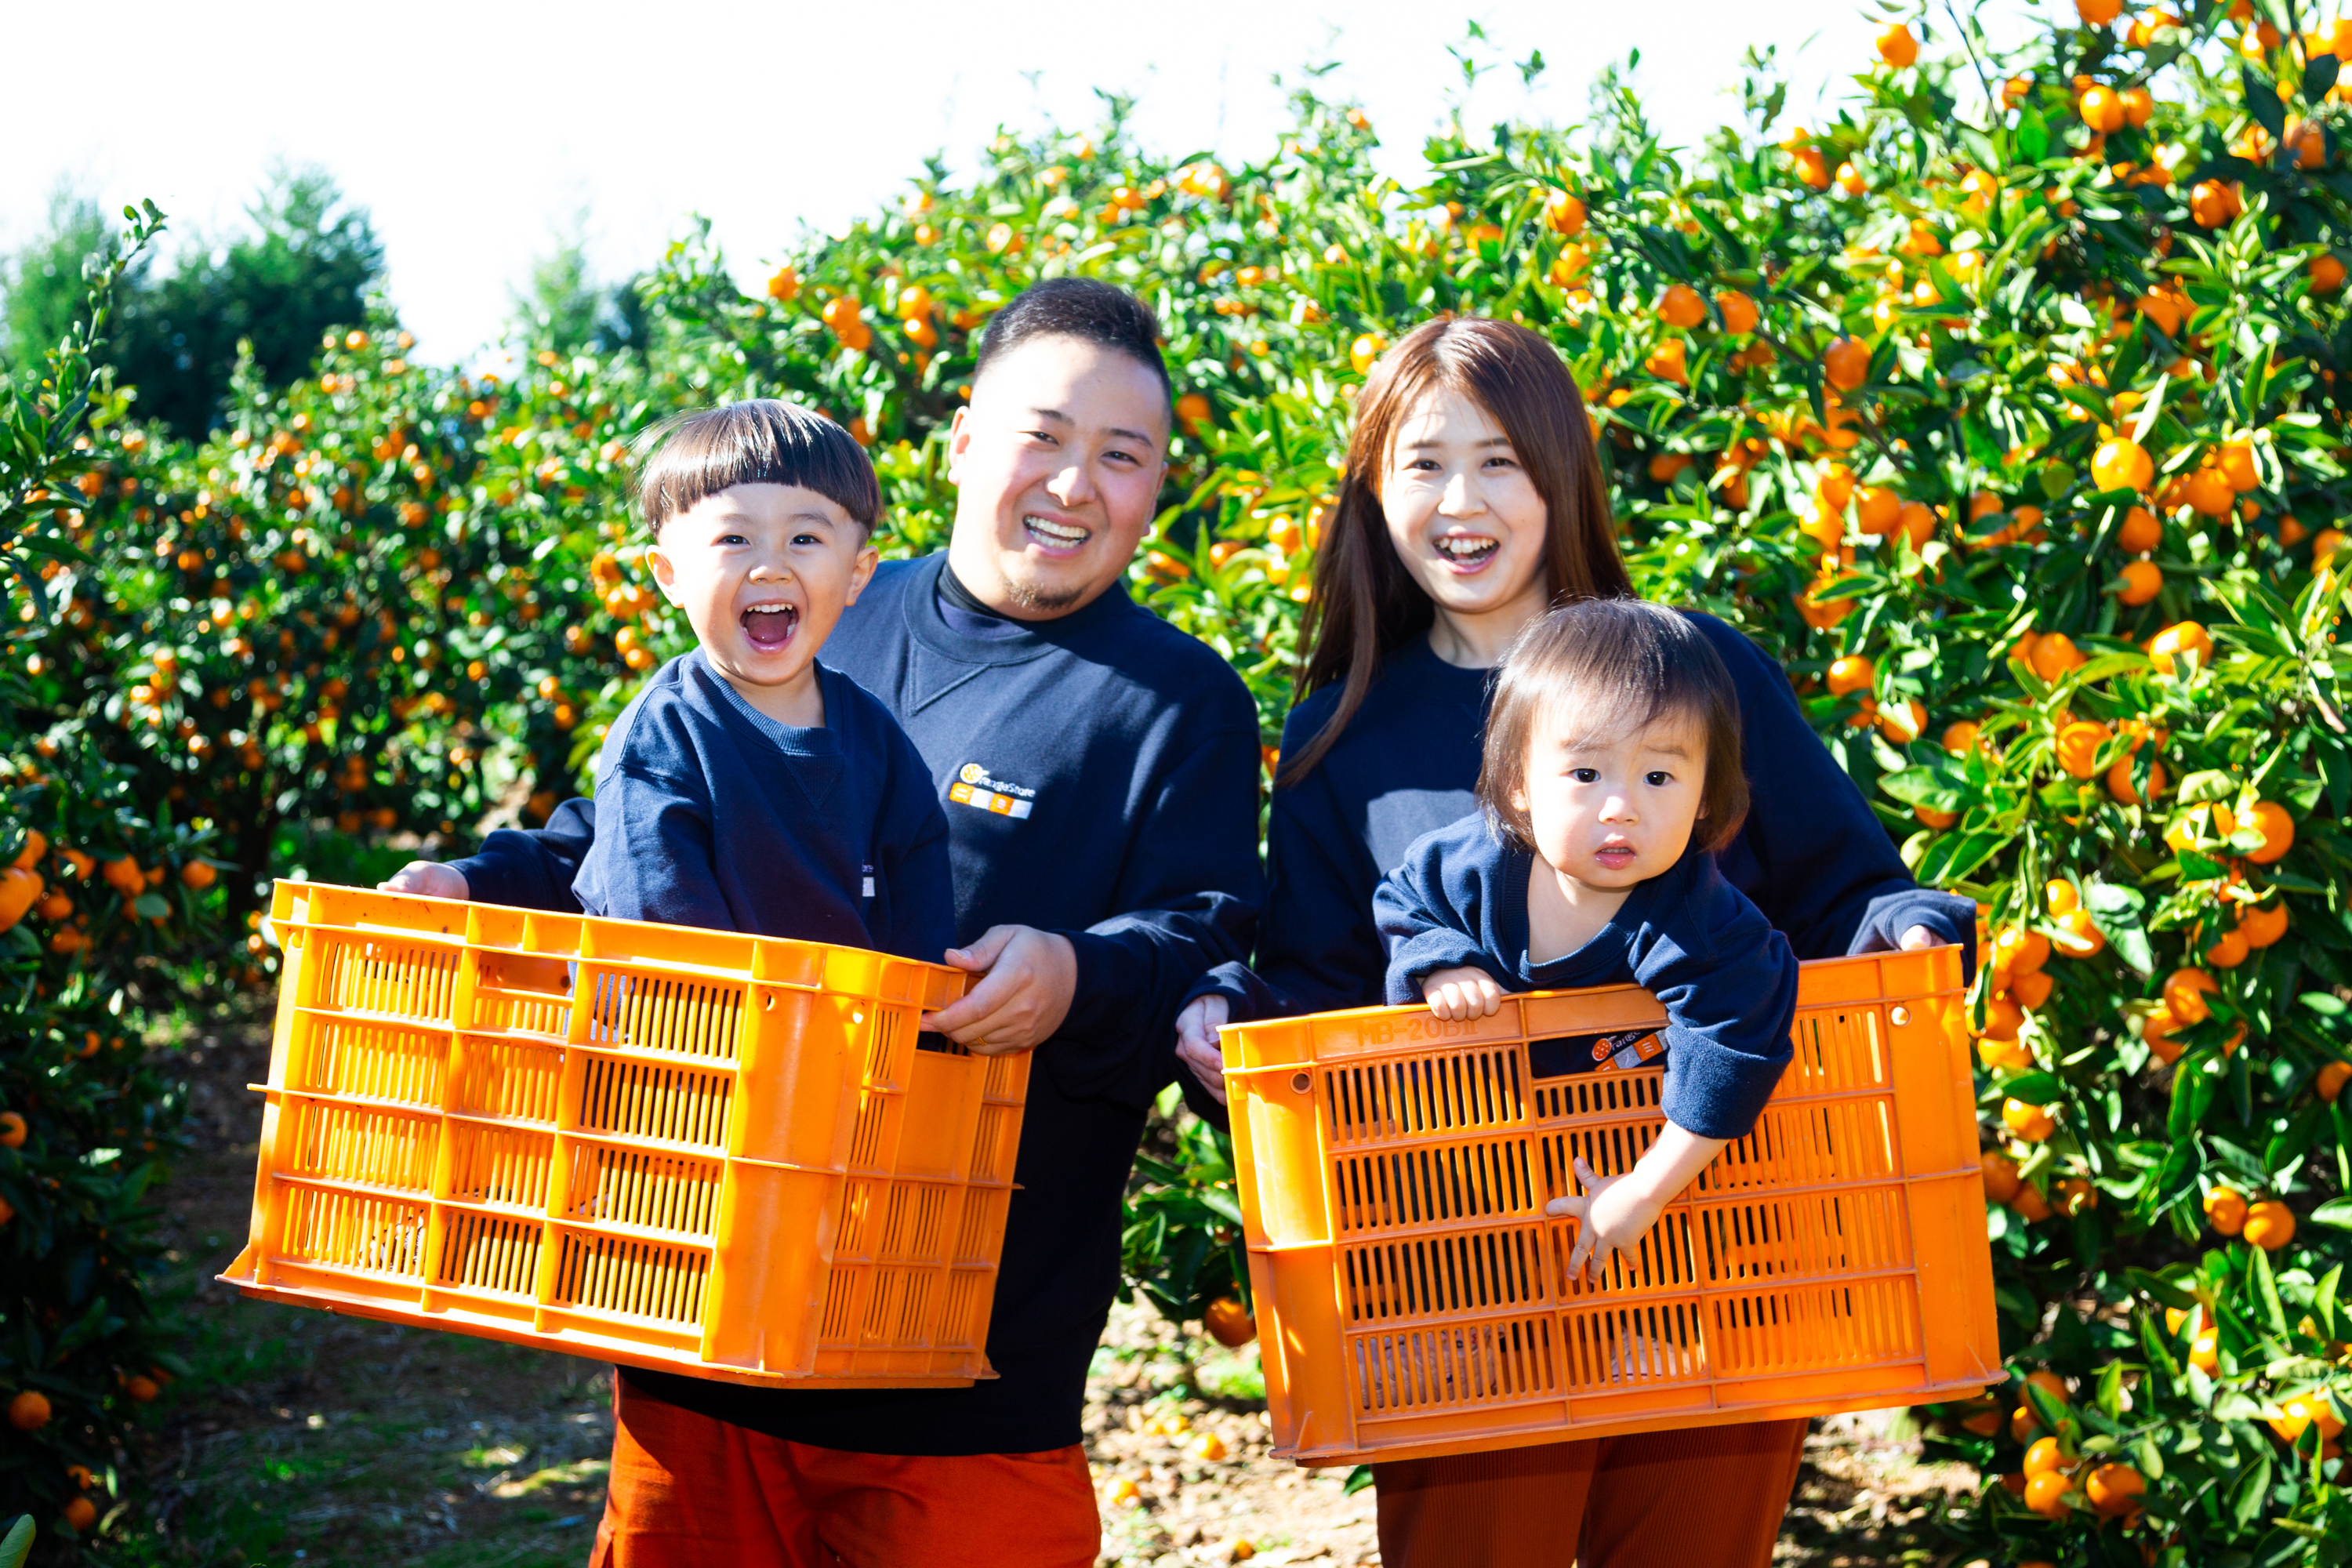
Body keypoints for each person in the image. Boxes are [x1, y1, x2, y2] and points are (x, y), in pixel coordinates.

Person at [384, 280, 1263, 1568]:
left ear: (1156, 487)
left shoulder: (1179, 703)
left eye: (1121, 457)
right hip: (715, 1301)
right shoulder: (822, 604)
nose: (1075, 485)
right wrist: (477, 881)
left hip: (971, 1359)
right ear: (964, 440)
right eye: (1044, 436)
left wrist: (1075, 971)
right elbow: (634, 821)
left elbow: (1206, 933)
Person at [1172, 316, 1975, 1567]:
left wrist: (1909, 929)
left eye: (1500, 461)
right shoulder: (1343, 733)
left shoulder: (1692, 668)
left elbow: (1843, 891)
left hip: (1717, 1242)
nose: (1461, 501)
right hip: (1468, 1269)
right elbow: (1323, 984)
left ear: (1560, 475)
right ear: (1374, 492)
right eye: (1422, 464)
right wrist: (1227, 1014)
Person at [1377, 598, 1800, 1286]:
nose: (1620, 806)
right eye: (1585, 774)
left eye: (1659, 777)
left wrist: (1646, 1189)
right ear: (1518, 786)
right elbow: (1403, 899)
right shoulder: (1471, 867)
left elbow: (1735, 1047)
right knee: (1469, 1284)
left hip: (1634, 1155)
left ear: (1702, 799)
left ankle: (1648, 1347)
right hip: (1481, 1153)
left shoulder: (1699, 922)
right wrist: (1438, 960)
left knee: (1650, 1283)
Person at [571, 398, 950, 960]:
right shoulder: (666, 738)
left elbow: (922, 921)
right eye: (734, 539)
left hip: (840, 1038)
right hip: (689, 1037)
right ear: (670, 576)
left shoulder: (878, 742)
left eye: (804, 539)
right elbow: (667, 945)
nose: (770, 566)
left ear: (858, 574)